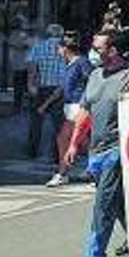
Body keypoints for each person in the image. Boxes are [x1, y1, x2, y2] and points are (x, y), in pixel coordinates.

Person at [66, 28, 129, 257]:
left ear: (113, 50)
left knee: (103, 206)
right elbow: (85, 112)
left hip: (120, 150)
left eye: (99, 48)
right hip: (97, 151)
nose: (93, 52)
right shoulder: (94, 75)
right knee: (120, 205)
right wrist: (74, 144)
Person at [46, 34, 93, 187]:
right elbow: (63, 87)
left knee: (64, 139)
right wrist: (47, 103)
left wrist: (85, 102)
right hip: (71, 106)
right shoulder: (70, 64)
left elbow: (91, 81)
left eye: (59, 48)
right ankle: (94, 170)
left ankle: (63, 172)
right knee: (82, 142)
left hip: (78, 107)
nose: (58, 51)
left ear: (65, 49)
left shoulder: (82, 62)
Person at [26, 23, 67, 162]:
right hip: (59, 88)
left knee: (36, 121)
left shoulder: (38, 47)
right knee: (58, 124)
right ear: (61, 35)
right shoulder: (64, 48)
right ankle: (57, 154)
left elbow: (32, 67)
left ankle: (32, 150)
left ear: (47, 34)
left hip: (41, 87)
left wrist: (31, 85)